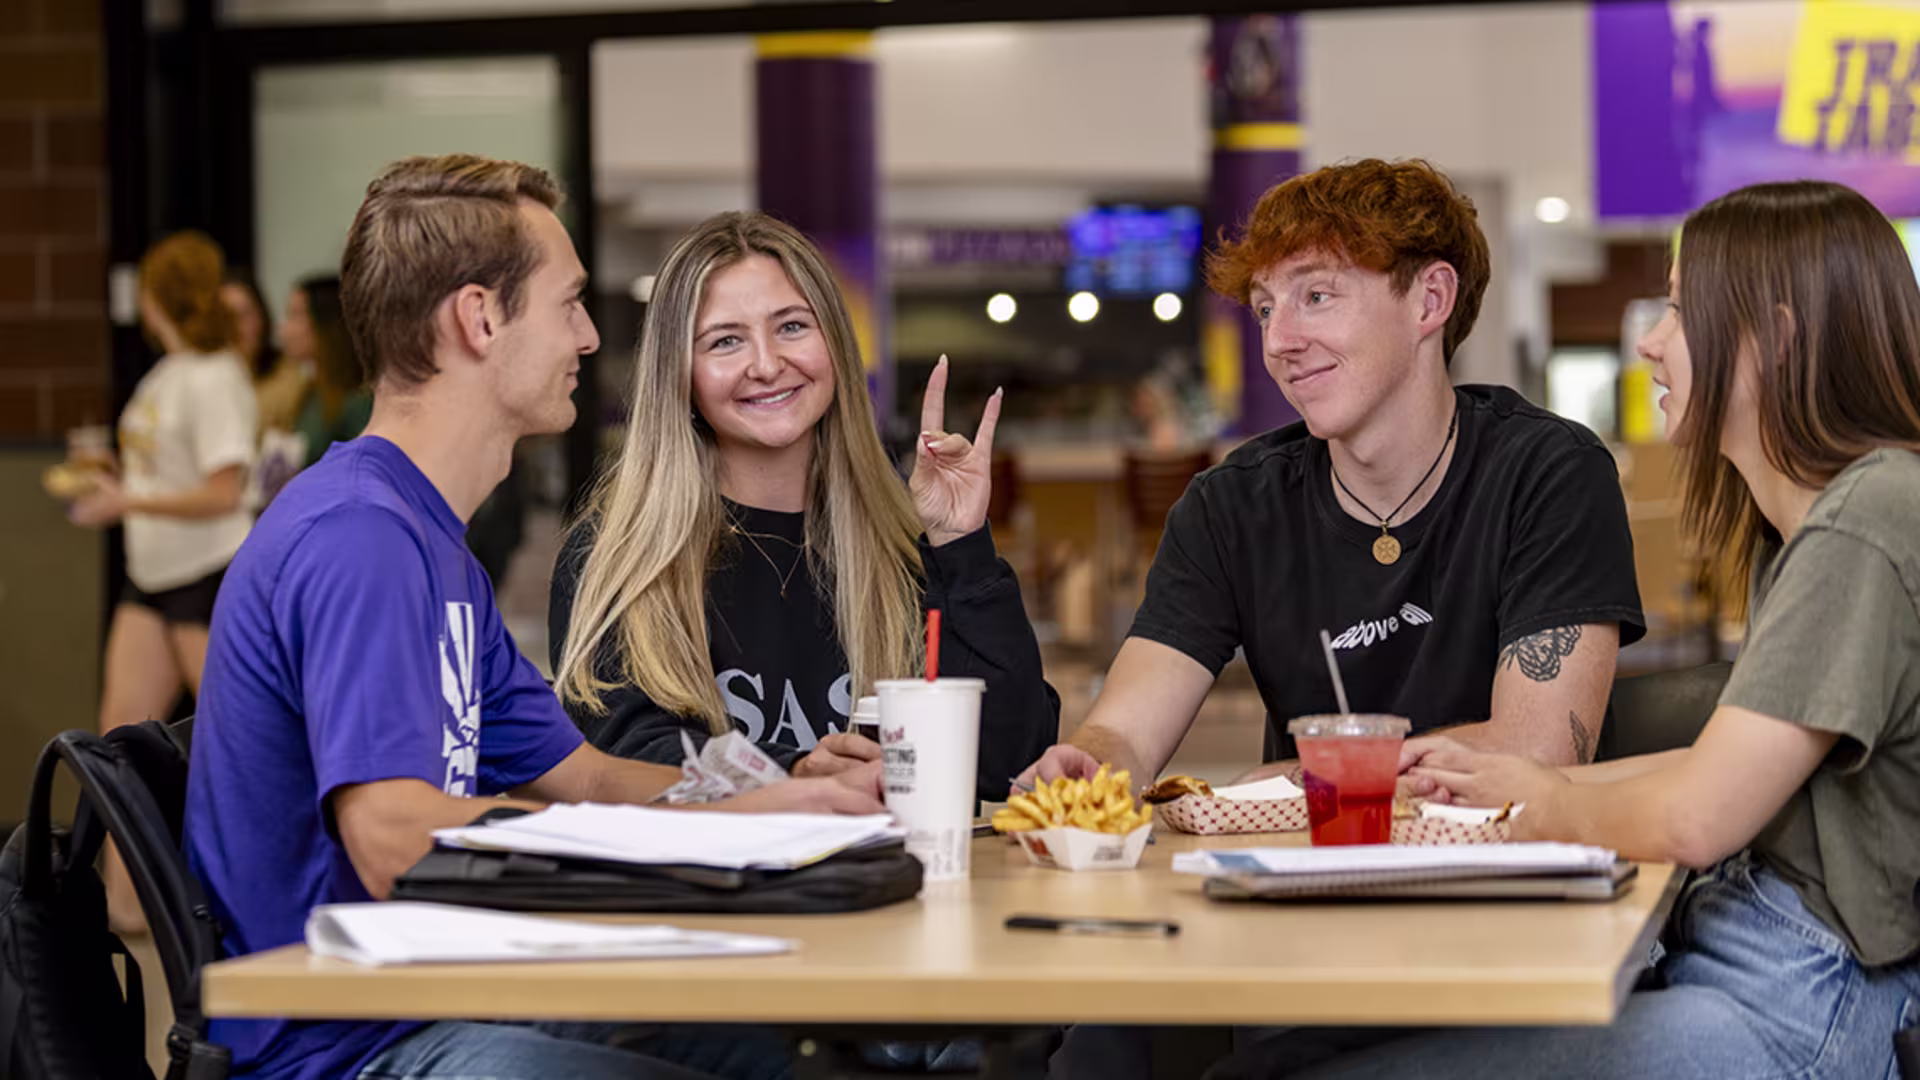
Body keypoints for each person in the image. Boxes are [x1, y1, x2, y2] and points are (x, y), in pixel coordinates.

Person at [184, 154, 884, 1080]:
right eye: (569, 304)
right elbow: (392, 835)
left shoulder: (428, 542)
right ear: (478, 319)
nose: (590, 338)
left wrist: (763, 808)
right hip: (346, 1050)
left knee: (814, 1052)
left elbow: (586, 777)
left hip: (424, 1005)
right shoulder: (363, 539)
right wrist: (658, 855)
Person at [1264, 180, 1920, 1079]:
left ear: (1777, 336)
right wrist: (1517, 778)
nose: (1650, 340)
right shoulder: (1817, 530)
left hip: (1795, 1003)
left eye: (1681, 313)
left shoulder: (1867, 520)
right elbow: (1726, 766)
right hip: (1749, 963)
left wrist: (1536, 808)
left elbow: (1696, 817)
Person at [1021, 159, 1644, 794]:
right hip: (1312, 881)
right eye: (1265, 309)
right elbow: (1125, 731)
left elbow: (1536, 751)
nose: (1278, 342)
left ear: (1431, 300)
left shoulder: (1549, 472)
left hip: (1518, 878)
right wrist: (1091, 764)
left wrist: (1298, 777)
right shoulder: (1231, 507)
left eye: (1315, 296)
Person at [550, 211, 1057, 801]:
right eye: (725, 341)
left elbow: (1012, 763)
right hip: (712, 891)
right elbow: (618, 758)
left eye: (791, 327)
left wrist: (960, 545)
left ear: (835, 347)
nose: (766, 364)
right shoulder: (615, 555)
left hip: (894, 885)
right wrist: (791, 773)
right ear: (679, 374)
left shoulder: (908, 549)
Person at [65, 230, 257, 932]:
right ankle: (124, 906)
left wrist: (130, 502)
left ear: (155, 296)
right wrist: (116, 487)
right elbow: (163, 473)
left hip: (202, 574)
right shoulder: (167, 373)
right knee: (118, 736)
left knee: (234, 736)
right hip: (152, 573)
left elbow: (223, 492)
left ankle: (249, 896)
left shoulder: (214, 377)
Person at [286, 274, 373, 465]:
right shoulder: (311, 394)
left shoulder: (357, 404)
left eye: (295, 315)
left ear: (326, 321)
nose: (285, 329)